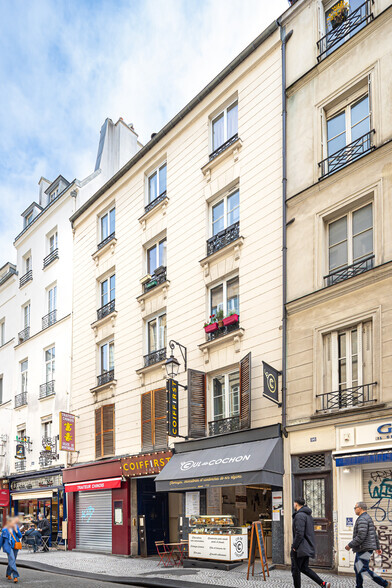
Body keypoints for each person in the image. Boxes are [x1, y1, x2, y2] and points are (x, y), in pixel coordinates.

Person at [345, 501, 391, 588]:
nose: (354, 509)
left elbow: (361, 536)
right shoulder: (367, 517)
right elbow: (374, 533)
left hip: (364, 548)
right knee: (357, 568)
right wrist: (377, 547)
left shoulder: (363, 519)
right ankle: (359, 586)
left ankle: (385, 583)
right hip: (364, 548)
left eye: (355, 508)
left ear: (360, 508)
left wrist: (349, 545)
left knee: (363, 569)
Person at [291, 497, 330, 588]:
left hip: (300, 548)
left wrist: (294, 546)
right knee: (304, 568)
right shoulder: (308, 515)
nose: (293, 505)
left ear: (296, 504)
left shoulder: (299, 515)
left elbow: (299, 533)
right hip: (306, 546)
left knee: (295, 570)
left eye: (294, 504)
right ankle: (323, 583)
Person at [0, 516, 22, 583]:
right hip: (8, 547)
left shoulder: (16, 527)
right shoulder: (4, 530)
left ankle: (8, 573)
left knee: (12, 560)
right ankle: (15, 576)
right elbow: (1, 540)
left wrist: (16, 531)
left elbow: (20, 536)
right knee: (12, 559)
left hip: (15, 546)